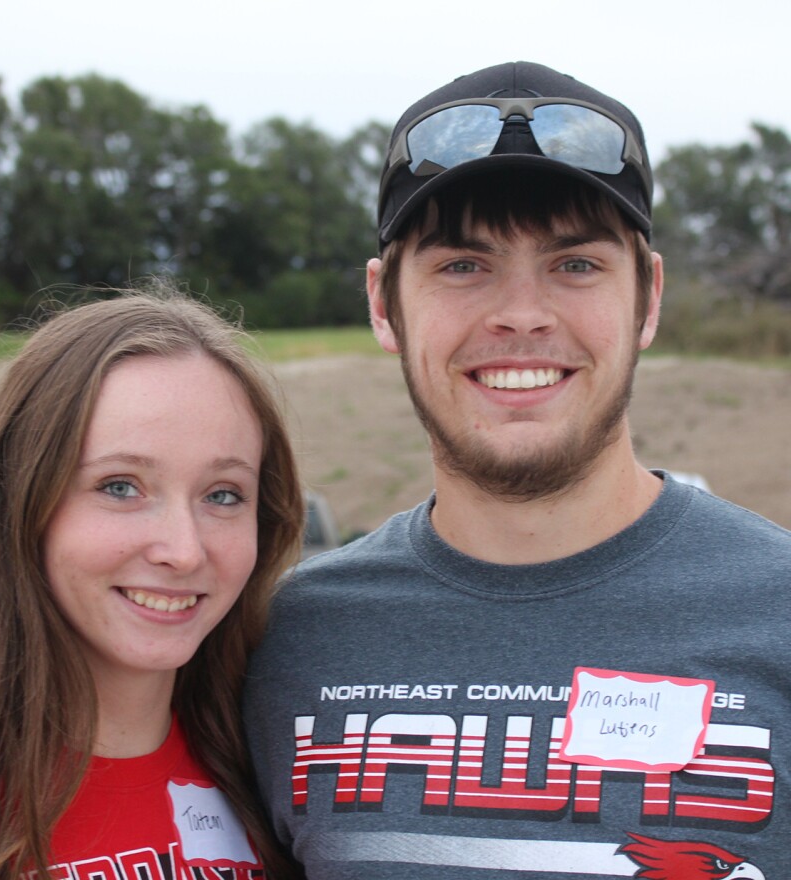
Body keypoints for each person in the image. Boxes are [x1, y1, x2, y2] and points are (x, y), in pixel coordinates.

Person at [244, 61, 791, 878]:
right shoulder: (282, 642)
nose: (522, 314)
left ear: (648, 298)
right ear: (384, 304)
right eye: (463, 266)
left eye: (575, 265)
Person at [0, 285, 304, 880]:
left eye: (223, 495)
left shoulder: (283, 766)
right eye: (120, 486)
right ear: (19, 504)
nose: (183, 550)